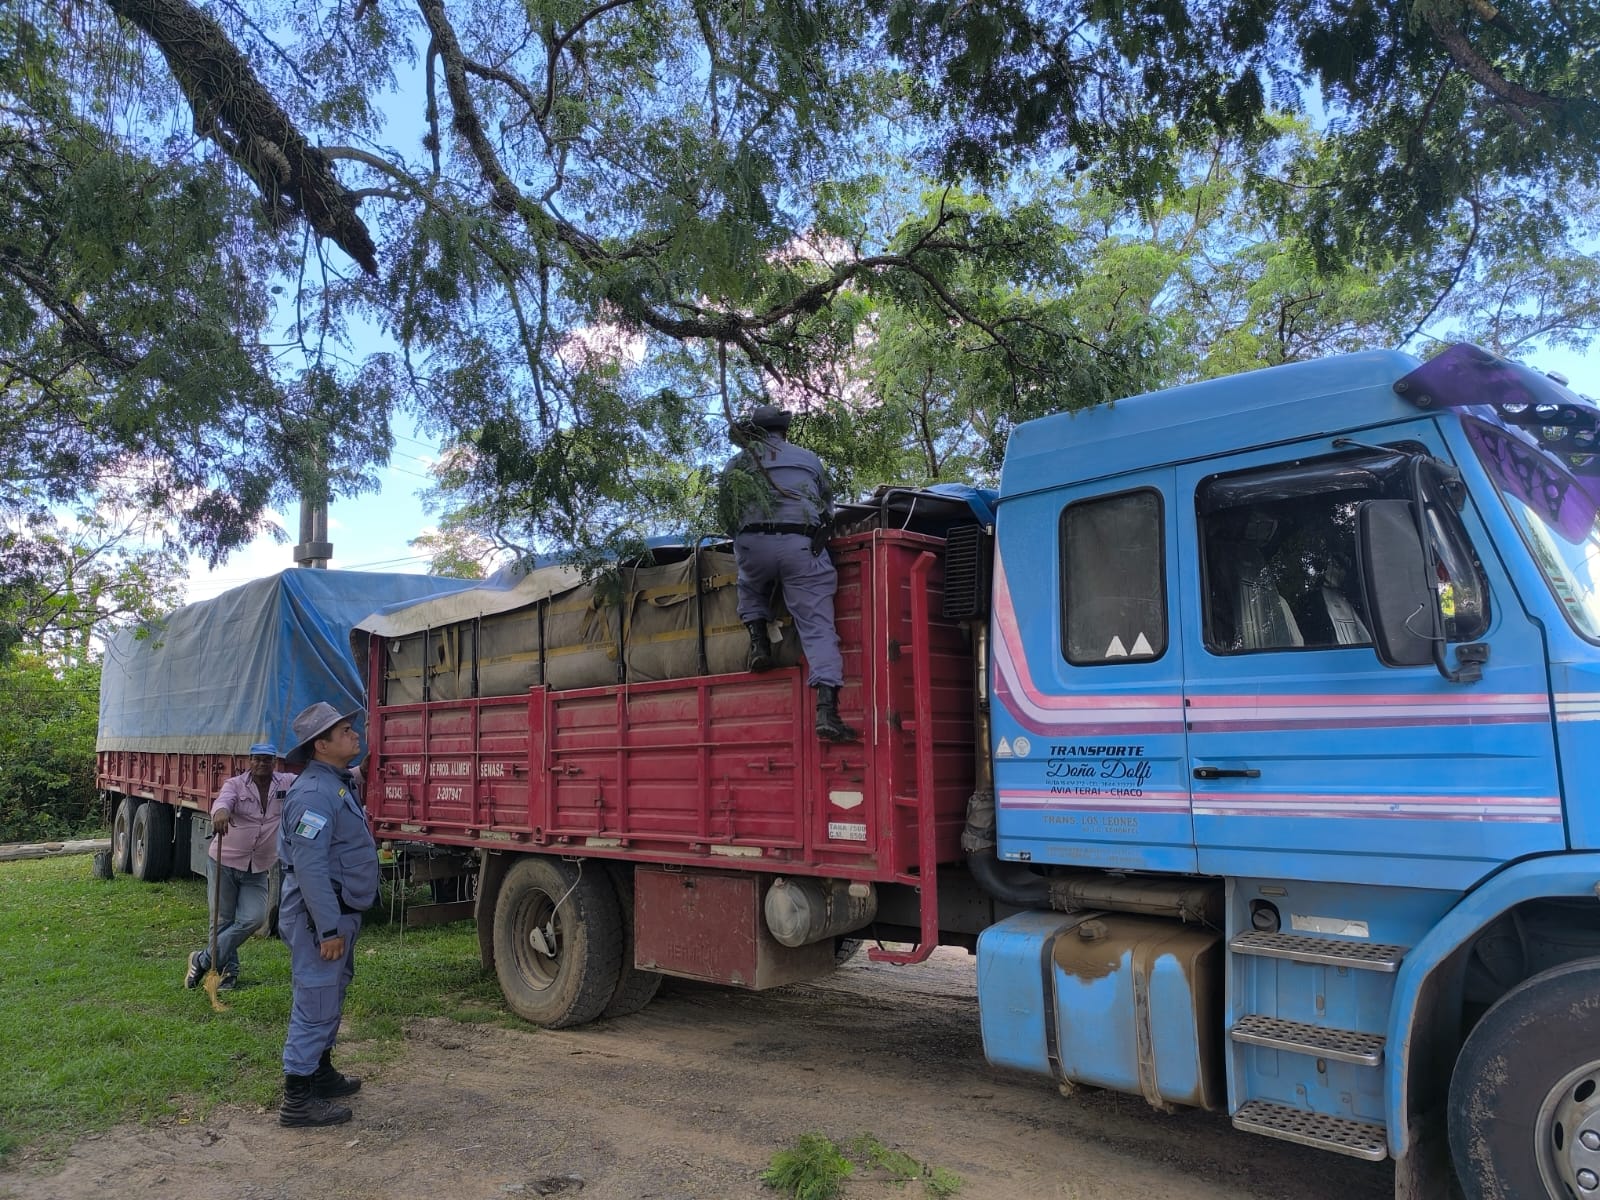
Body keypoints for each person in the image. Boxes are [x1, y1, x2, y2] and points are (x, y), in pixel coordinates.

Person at [719, 403, 857, 742]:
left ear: (754, 431)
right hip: (800, 546)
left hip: (753, 545)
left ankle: (759, 645)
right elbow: (827, 507)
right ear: (785, 431)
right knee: (817, 627)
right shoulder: (808, 458)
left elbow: (727, 515)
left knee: (750, 585)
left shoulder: (737, 462)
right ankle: (827, 712)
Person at [276, 702, 380, 1128]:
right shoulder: (314, 794)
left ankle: (320, 1073)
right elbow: (310, 867)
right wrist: (328, 928)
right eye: (345, 732)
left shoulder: (333, 783)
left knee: (330, 994)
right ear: (321, 745)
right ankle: (297, 1099)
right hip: (321, 917)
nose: (354, 735)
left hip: (339, 912)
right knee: (316, 999)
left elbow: (352, 784)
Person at [183, 743, 294, 991]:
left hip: (258, 868)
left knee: (253, 919)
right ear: (249, 761)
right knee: (222, 920)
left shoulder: (285, 783)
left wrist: (356, 774)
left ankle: (201, 959)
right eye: (257, 759)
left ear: (274, 762)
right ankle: (228, 973)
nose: (262, 764)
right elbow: (223, 801)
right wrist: (220, 813)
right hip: (225, 862)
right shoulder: (235, 784)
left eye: (267, 760)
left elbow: (313, 783)